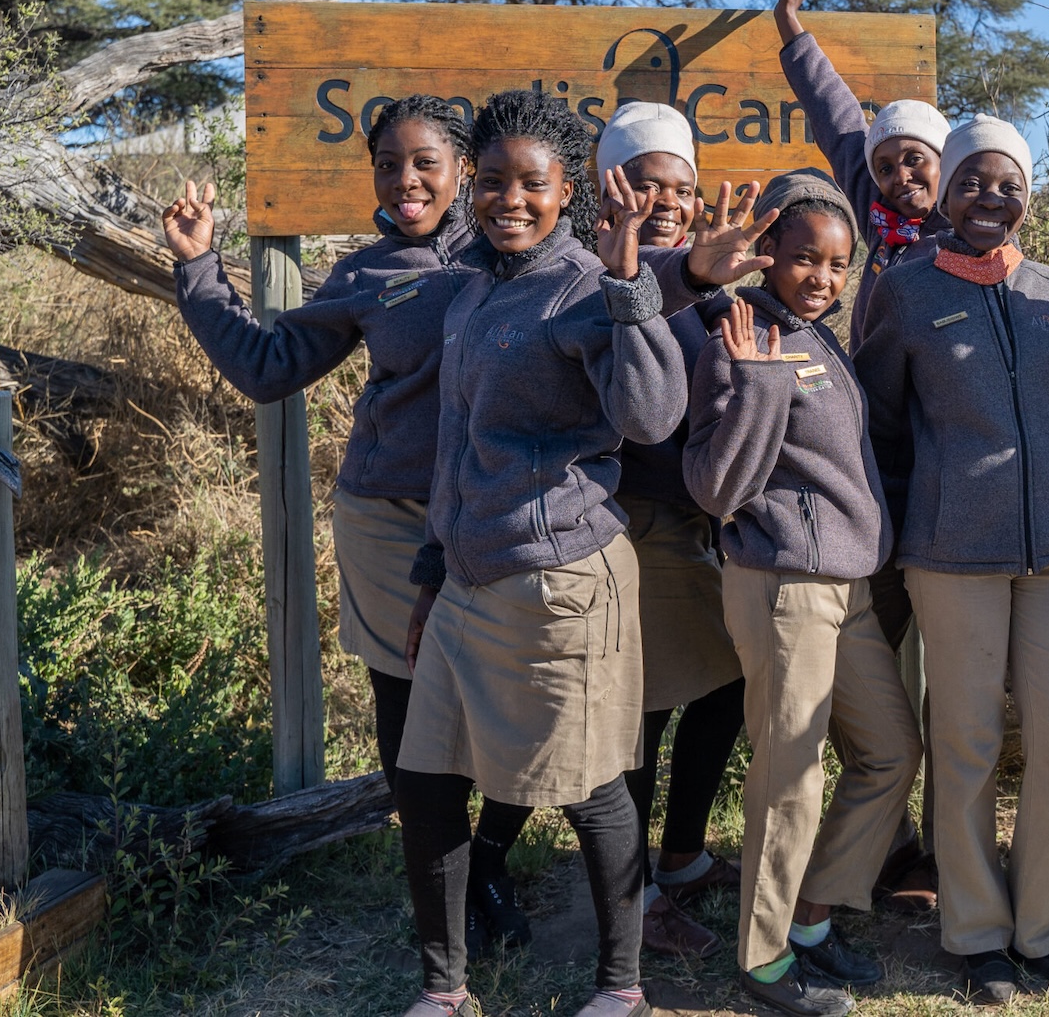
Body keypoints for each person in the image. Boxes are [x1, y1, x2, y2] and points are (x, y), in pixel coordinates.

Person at [161, 94, 537, 953]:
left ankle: (489, 861)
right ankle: (437, 902)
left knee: (517, 699)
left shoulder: (520, 249)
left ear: (465, 169)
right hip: (391, 517)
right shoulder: (369, 273)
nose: (406, 181)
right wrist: (199, 269)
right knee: (410, 710)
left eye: (425, 163)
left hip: (499, 513)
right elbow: (268, 366)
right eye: (387, 165)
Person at [853, 114, 1049, 1004]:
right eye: (972, 182)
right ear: (947, 192)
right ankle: (977, 934)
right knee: (965, 745)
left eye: (1008, 184)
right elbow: (877, 420)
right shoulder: (906, 290)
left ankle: (1041, 930)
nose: (990, 198)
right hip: (951, 553)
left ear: (1029, 194)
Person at [390, 89, 690, 1017]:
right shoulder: (474, 282)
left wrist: (630, 285)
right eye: (490, 181)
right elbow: (454, 437)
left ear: (573, 194)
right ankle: (445, 991)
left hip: (560, 578)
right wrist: (431, 571)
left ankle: (622, 988)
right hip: (469, 574)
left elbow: (651, 416)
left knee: (591, 786)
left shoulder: (584, 288)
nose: (507, 199)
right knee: (429, 780)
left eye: (533, 183)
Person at [683, 168, 922, 1017]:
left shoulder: (818, 338)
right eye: (804, 258)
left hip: (844, 585)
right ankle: (764, 957)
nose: (821, 277)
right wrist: (753, 382)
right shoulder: (739, 335)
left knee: (891, 752)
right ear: (768, 252)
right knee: (790, 776)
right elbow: (715, 487)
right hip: (783, 585)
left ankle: (813, 913)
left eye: (837, 264)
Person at [775, 0, 954, 909]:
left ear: (950, 162)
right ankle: (887, 843)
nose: (900, 173)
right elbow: (842, 113)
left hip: (954, 484)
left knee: (940, 679)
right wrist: (790, 27)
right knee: (882, 665)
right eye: (887, 164)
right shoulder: (866, 220)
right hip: (871, 482)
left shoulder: (969, 229)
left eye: (915, 159)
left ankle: (929, 852)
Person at [594, 102, 746, 961]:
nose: (667, 200)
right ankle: (636, 894)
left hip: (703, 524)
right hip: (635, 521)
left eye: (681, 187)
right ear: (609, 184)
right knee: (642, 714)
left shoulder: (707, 275)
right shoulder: (597, 274)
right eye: (647, 183)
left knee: (725, 689)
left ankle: (681, 856)